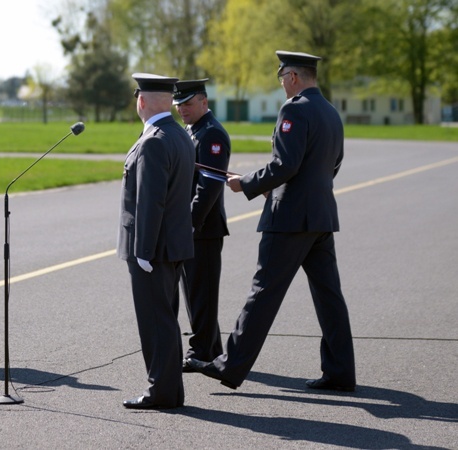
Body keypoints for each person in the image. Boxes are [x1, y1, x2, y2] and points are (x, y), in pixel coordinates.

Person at [185, 51, 356, 392]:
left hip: (290, 218)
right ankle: (340, 371)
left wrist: (246, 183)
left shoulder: (294, 109)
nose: (281, 85)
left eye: (281, 78)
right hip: (320, 215)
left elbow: (285, 164)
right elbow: (332, 163)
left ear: (292, 76)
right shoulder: (331, 111)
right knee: (329, 297)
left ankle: (230, 366)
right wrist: (281, 188)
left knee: (262, 293)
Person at [117, 73, 195, 409]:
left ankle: (161, 391)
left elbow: (151, 200)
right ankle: (169, 389)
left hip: (153, 248)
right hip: (173, 244)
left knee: (155, 321)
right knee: (165, 318)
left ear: (142, 100)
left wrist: (143, 251)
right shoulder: (179, 135)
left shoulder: (154, 140)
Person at [172, 79, 231, 370]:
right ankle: (211, 347)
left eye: (188, 103)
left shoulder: (212, 134)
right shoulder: (193, 131)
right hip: (193, 226)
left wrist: (190, 223)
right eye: (179, 104)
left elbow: (209, 188)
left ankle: (201, 352)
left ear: (204, 102)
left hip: (203, 227)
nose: (182, 109)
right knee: (196, 293)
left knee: (201, 293)